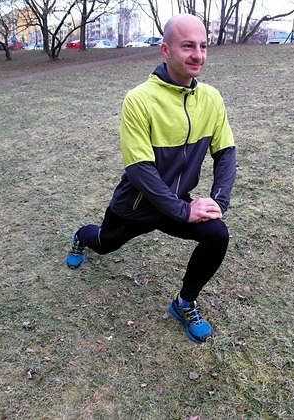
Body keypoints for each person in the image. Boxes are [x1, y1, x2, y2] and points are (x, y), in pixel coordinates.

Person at [66, 14, 236, 344]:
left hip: (176, 205)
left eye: (203, 46)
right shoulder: (139, 99)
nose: (197, 55)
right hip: (135, 207)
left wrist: (219, 199)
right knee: (103, 244)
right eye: (187, 46)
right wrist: (183, 210)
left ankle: (184, 303)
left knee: (217, 234)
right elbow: (139, 169)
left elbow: (226, 151)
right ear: (165, 50)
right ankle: (80, 237)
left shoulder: (211, 98)